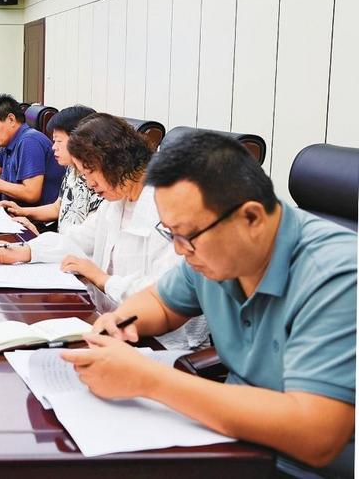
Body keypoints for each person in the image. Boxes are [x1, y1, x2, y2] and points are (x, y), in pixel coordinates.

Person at [62, 132, 355, 475]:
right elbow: (160, 301)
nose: (179, 250)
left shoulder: (336, 277)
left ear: (251, 218)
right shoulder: (214, 252)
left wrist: (148, 380)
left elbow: (316, 435)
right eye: (171, 234)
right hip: (228, 441)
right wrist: (122, 320)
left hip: (299, 466)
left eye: (187, 236)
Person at [0, 113, 207, 349]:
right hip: (110, 323)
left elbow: (166, 293)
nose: (89, 184)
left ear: (115, 162)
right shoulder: (116, 200)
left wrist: (102, 279)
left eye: (90, 172)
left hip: (161, 343)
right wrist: (24, 251)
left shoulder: (166, 209)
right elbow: (78, 239)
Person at [0, 105, 102, 233]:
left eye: (59, 141)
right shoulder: (71, 169)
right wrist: (21, 211)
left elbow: (87, 240)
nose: (53, 147)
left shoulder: (99, 183)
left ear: (81, 141)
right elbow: (58, 207)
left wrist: (38, 237)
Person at [0, 93, 63, 205]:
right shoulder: (10, 143)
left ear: (11, 119)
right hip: (14, 210)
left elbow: (31, 194)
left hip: (32, 215)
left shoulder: (29, 141)